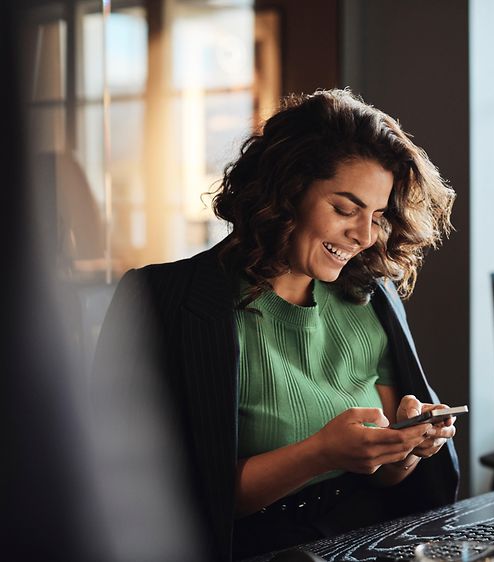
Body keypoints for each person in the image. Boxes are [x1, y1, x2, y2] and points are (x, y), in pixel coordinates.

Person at [93, 89, 460, 560]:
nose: (365, 236)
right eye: (345, 209)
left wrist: (407, 446)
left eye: (377, 215)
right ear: (286, 192)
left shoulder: (372, 293)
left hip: (367, 540)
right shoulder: (161, 299)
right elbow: (153, 498)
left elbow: (389, 476)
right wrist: (320, 453)